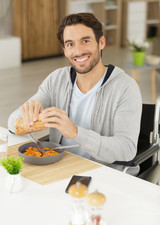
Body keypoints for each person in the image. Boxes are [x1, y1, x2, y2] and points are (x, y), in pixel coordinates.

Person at [8, 12, 142, 175]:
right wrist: (27, 115)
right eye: (70, 44)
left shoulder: (126, 87)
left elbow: (126, 150)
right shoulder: (56, 79)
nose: (78, 51)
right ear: (65, 50)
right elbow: (12, 123)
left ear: (101, 42)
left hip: (103, 174)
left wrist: (76, 132)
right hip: (59, 166)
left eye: (85, 41)